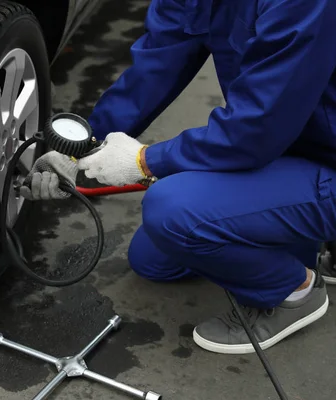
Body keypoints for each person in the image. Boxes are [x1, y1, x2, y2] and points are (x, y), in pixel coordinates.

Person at [20, 0, 336, 355]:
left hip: (317, 155)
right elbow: (153, 69)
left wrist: (144, 160)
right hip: (286, 148)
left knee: (172, 211)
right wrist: (76, 150)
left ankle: (294, 291)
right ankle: (296, 228)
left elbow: (256, 130)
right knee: (152, 258)